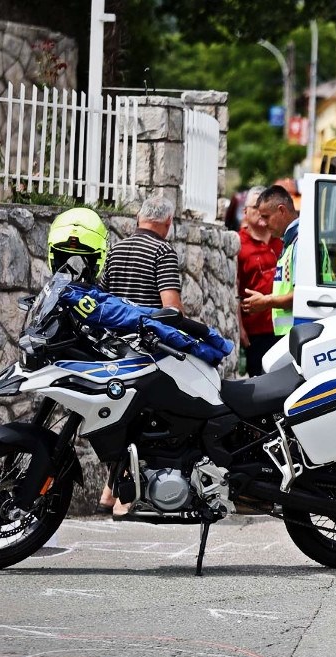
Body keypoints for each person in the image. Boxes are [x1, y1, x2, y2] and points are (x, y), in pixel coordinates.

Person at [97, 194, 183, 517]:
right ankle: (126, 498)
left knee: (123, 419)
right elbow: (171, 308)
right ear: (168, 223)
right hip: (145, 352)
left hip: (111, 350)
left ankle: (108, 492)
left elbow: (103, 299)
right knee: (147, 423)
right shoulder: (162, 251)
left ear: (138, 217)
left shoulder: (116, 249)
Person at [236, 186, 283, 375]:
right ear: (245, 211)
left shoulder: (282, 242)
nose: (261, 212)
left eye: (264, 206)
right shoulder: (238, 243)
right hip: (255, 331)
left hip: (282, 328)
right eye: (256, 206)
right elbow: (234, 289)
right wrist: (239, 328)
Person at [242, 184, 299, 336]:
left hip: (299, 332)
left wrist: (267, 302)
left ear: (281, 210)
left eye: (266, 217)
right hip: (290, 334)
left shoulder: (301, 242)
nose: (264, 223)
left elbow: (303, 295)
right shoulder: (291, 241)